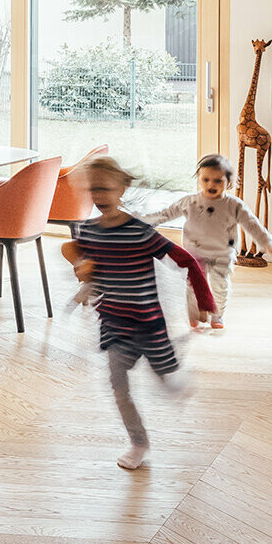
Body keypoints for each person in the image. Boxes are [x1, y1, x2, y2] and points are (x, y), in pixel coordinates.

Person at [61, 155, 215, 471]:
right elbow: (89, 267)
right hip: (114, 324)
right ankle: (138, 442)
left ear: (123, 189)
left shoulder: (141, 233)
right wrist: (83, 285)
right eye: (93, 190)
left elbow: (186, 261)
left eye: (106, 189)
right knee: (118, 384)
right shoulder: (88, 232)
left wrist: (204, 301)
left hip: (148, 324)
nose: (100, 196)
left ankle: (176, 380)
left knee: (164, 377)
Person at [149, 153, 272, 330]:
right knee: (192, 286)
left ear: (229, 182)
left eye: (218, 181)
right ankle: (195, 313)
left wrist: (268, 243)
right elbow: (166, 214)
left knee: (220, 286)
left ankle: (217, 314)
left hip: (222, 254)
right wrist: (142, 222)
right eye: (206, 179)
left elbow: (252, 224)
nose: (211, 185)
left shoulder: (234, 205)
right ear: (199, 179)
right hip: (195, 254)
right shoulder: (190, 202)